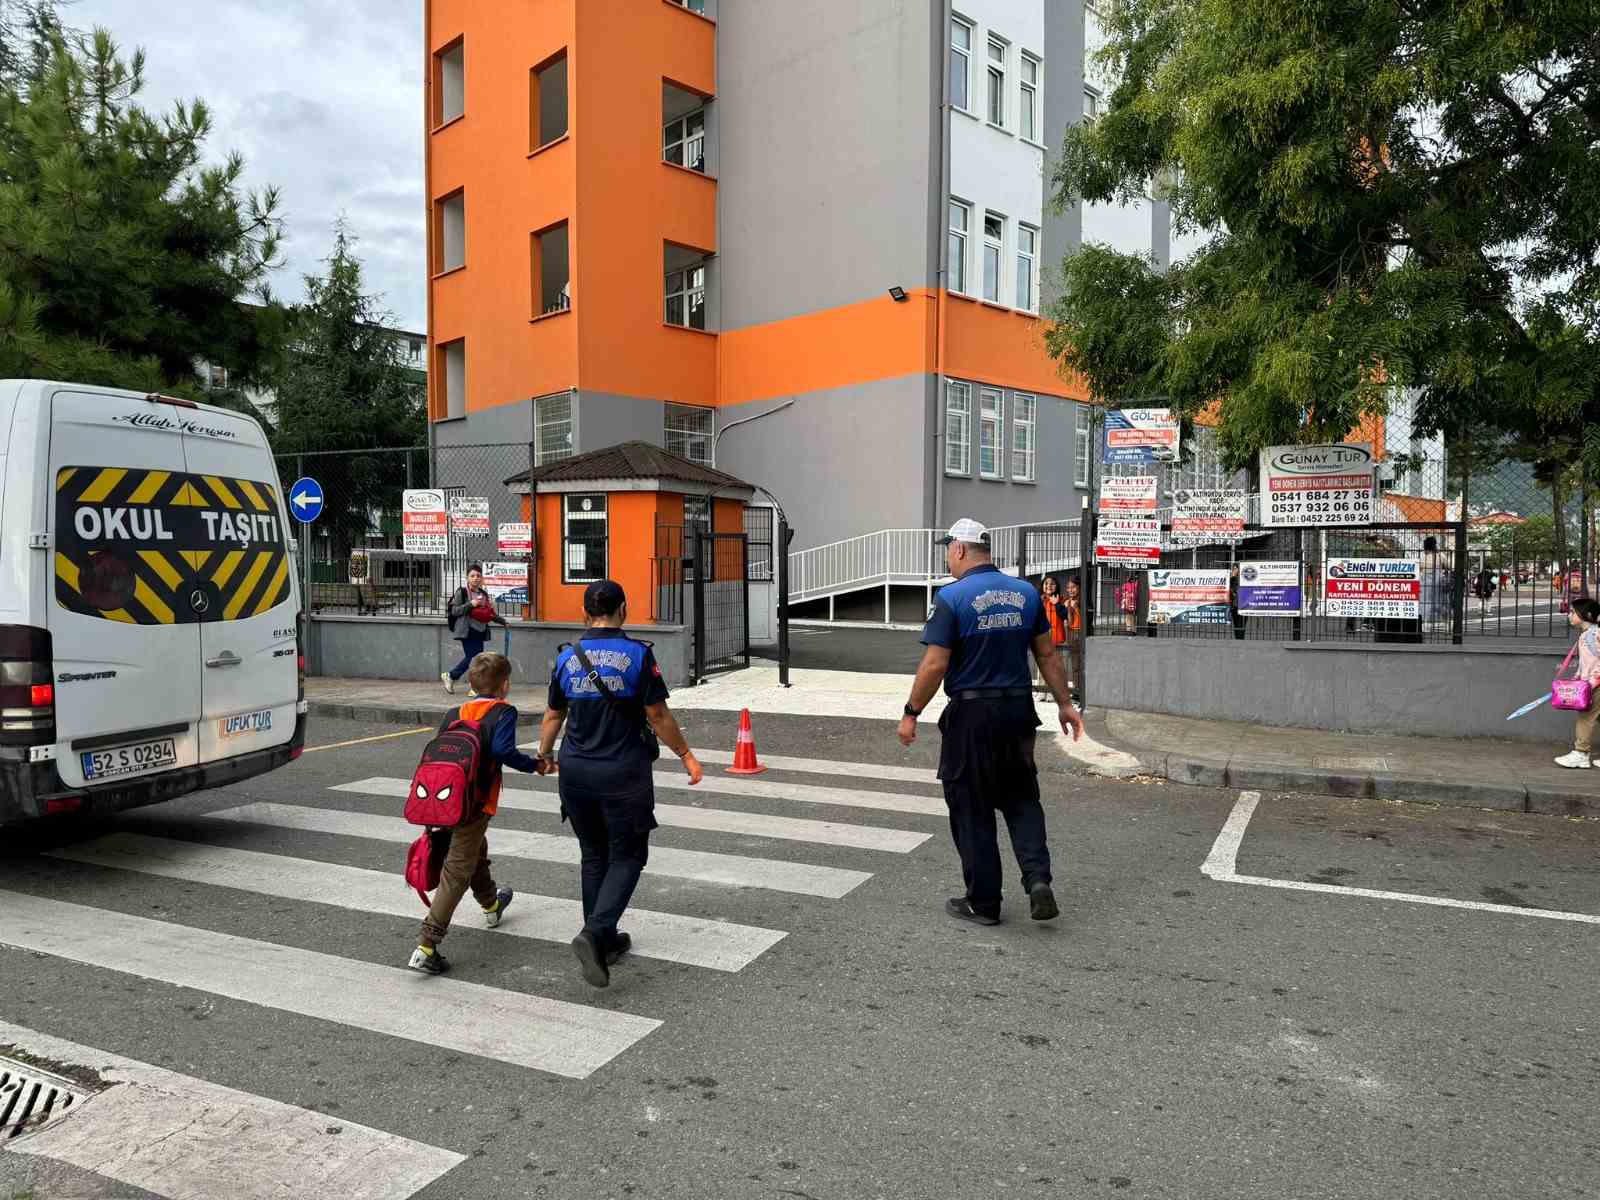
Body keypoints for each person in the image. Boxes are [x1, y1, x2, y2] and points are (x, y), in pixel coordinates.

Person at [898, 518, 1085, 926]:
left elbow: (935, 663)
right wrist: (1066, 704)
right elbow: (1049, 655)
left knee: (971, 806)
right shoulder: (1026, 594)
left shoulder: (952, 597)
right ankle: (1038, 880)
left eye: (948, 548)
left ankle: (984, 902)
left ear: (960, 550)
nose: (947, 555)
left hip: (973, 716)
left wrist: (911, 713)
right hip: (1018, 712)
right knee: (1021, 799)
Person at [537, 579, 704, 988]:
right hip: (622, 773)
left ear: (584, 613)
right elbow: (658, 715)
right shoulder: (637, 656)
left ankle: (604, 938)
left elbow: (553, 715)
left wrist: (544, 754)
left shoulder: (566, 658)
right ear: (623, 609)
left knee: (593, 854)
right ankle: (596, 933)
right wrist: (686, 754)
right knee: (628, 855)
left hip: (575, 771)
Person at [409, 652, 545, 975]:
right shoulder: (503, 712)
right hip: (476, 802)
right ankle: (427, 944)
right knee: (457, 868)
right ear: (505, 685)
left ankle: (491, 904)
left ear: (470, 684)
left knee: (473, 852)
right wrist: (534, 764)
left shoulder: (455, 711)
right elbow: (503, 751)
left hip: (445, 799)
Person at [443, 564, 507, 694]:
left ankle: (465, 682)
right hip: (467, 630)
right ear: (467, 578)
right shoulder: (462, 592)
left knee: (476, 659)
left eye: (478, 576)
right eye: (472, 576)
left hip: (480, 630)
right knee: (474, 658)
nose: (475, 578)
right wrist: (471, 604)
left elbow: (489, 613)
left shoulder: (483, 594)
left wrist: (501, 620)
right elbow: (455, 611)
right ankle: (458, 679)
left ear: (482, 578)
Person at [1554, 597, 1600, 770]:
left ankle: (1581, 754)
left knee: (1585, 718)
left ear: (1587, 614)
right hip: (1590, 683)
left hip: (1596, 685)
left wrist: (1593, 679)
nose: (1569, 615)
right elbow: (1587, 662)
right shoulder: (1585, 635)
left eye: (1573, 612)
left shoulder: (1595, 634)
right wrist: (1578, 677)